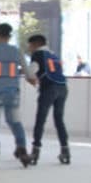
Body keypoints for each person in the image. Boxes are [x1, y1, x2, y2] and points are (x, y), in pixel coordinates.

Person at [0, 23, 35, 168]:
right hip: (13, 92)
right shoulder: (16, 51)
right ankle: (22, 149)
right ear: (10, 36)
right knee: (16, 122)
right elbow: (28, 73)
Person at [26, 34, 69, 166]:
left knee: (40, 119)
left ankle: (35, 151)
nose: (29, 49)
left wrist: (31, 79)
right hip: (63, 88)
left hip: (49, 89)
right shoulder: (53, 55)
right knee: (59, 120)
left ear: (36, 44)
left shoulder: (38, 55)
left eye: (30, 46)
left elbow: (30, 72)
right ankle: (65, 150)